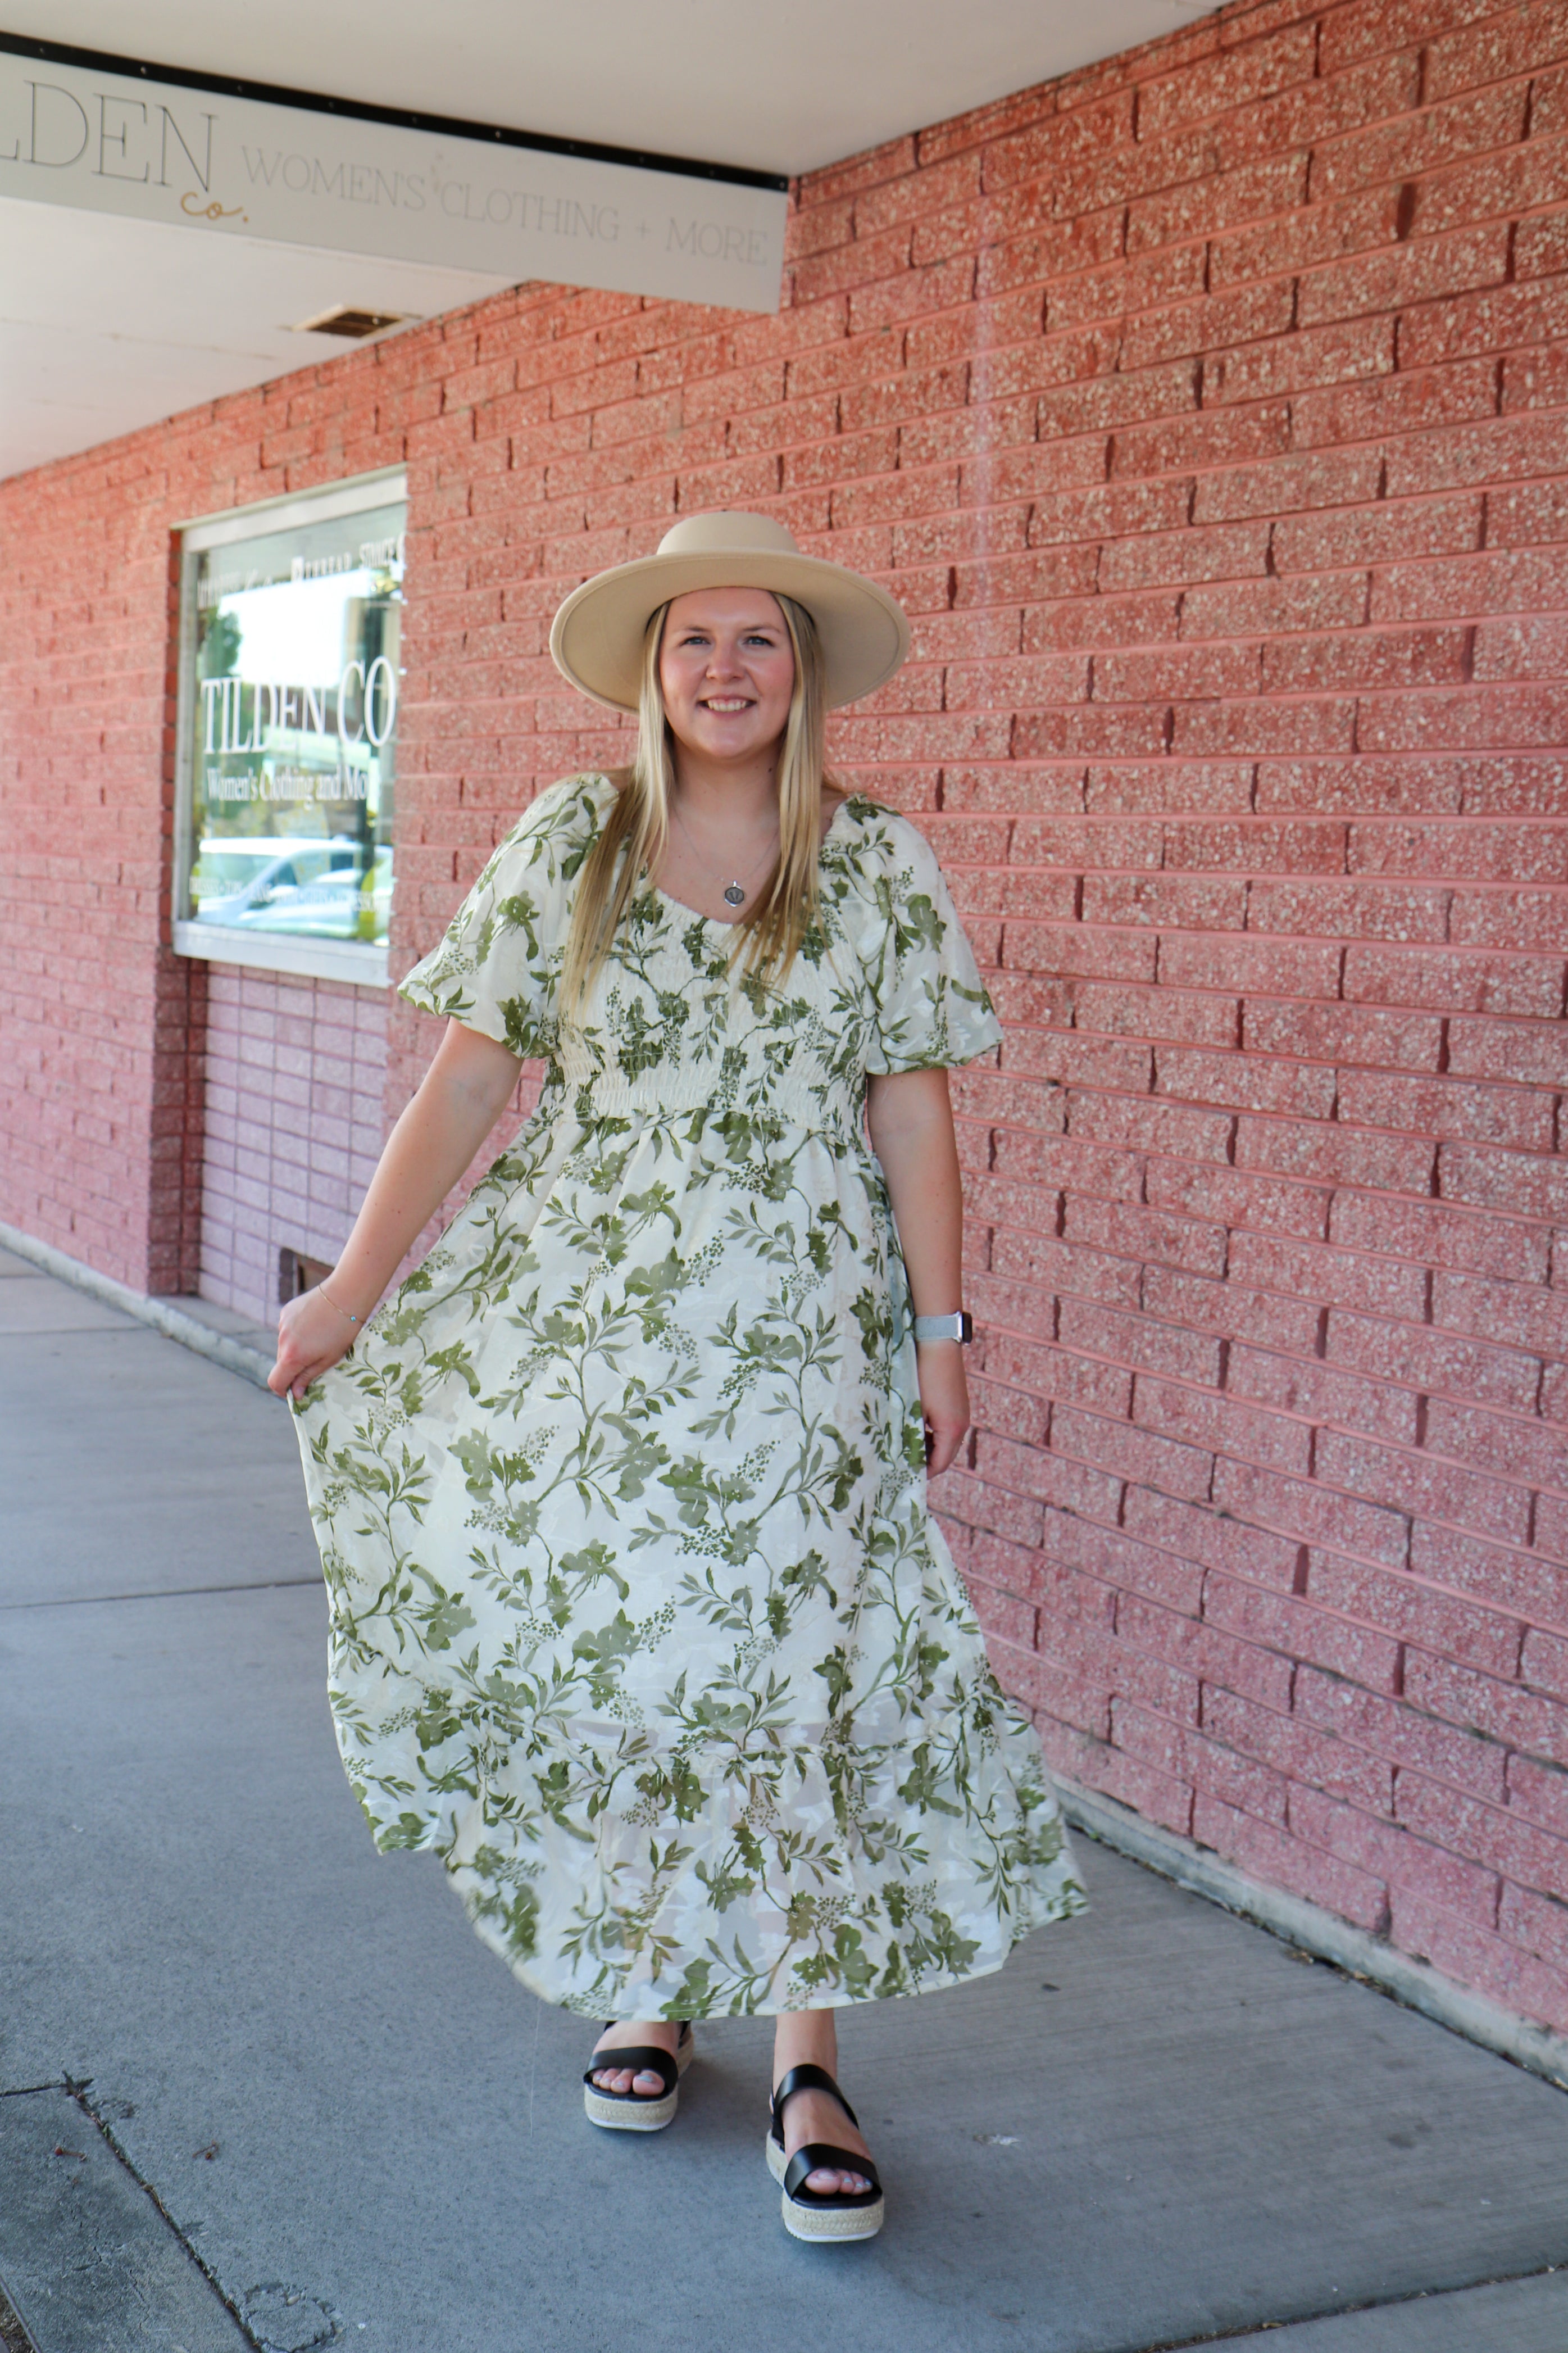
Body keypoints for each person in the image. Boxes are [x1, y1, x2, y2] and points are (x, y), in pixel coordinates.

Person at [270, 511, 1085, 2244]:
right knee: (638, 1661)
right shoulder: (578, 838)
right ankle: (654, 1981)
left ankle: (807, 2058)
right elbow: (471, 1085)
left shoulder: (874, 864)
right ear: (653, 670)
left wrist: (944, 1330)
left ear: (802, 674)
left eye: (758, 641)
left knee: (799, 1670)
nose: (725, 668)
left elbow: (914, 1108)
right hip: (597, 1345)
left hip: (803, 1349)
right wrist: (355, 1281)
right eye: (694, 640)